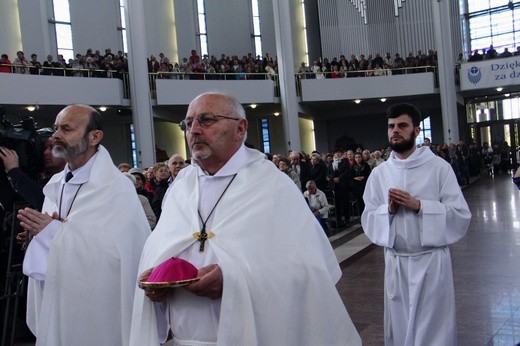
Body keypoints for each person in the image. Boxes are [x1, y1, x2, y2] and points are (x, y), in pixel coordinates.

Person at [129, 92, 361, 345]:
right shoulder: (180, 188)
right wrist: (158, 279)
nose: (194, 130)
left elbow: (308, 269)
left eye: (206, 120)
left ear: (240, 128)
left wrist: (233, 282)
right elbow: (161, 248)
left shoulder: (272, 185)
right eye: (188, 123)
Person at [17, 104, 150, 345]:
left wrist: (54, 233)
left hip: (98, 309)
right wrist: (38, 237)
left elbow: (119, 255)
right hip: (59, 294)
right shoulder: (56, 185)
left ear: (94, 137)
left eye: (66, 129)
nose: (56, 135)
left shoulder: (115, 188)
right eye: (56, 128)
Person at [361, 103, 471, 346]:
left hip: (431, 262)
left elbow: (461, 215)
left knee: (432, 330)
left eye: (402, 125)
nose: (395, 131)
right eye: (391, 126)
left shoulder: (439, 168)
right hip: (397, 262)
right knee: (400, 328)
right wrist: (387, 211)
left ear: (417, 130)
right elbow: (368, 217)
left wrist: (420, 206)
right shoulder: (380, 174)